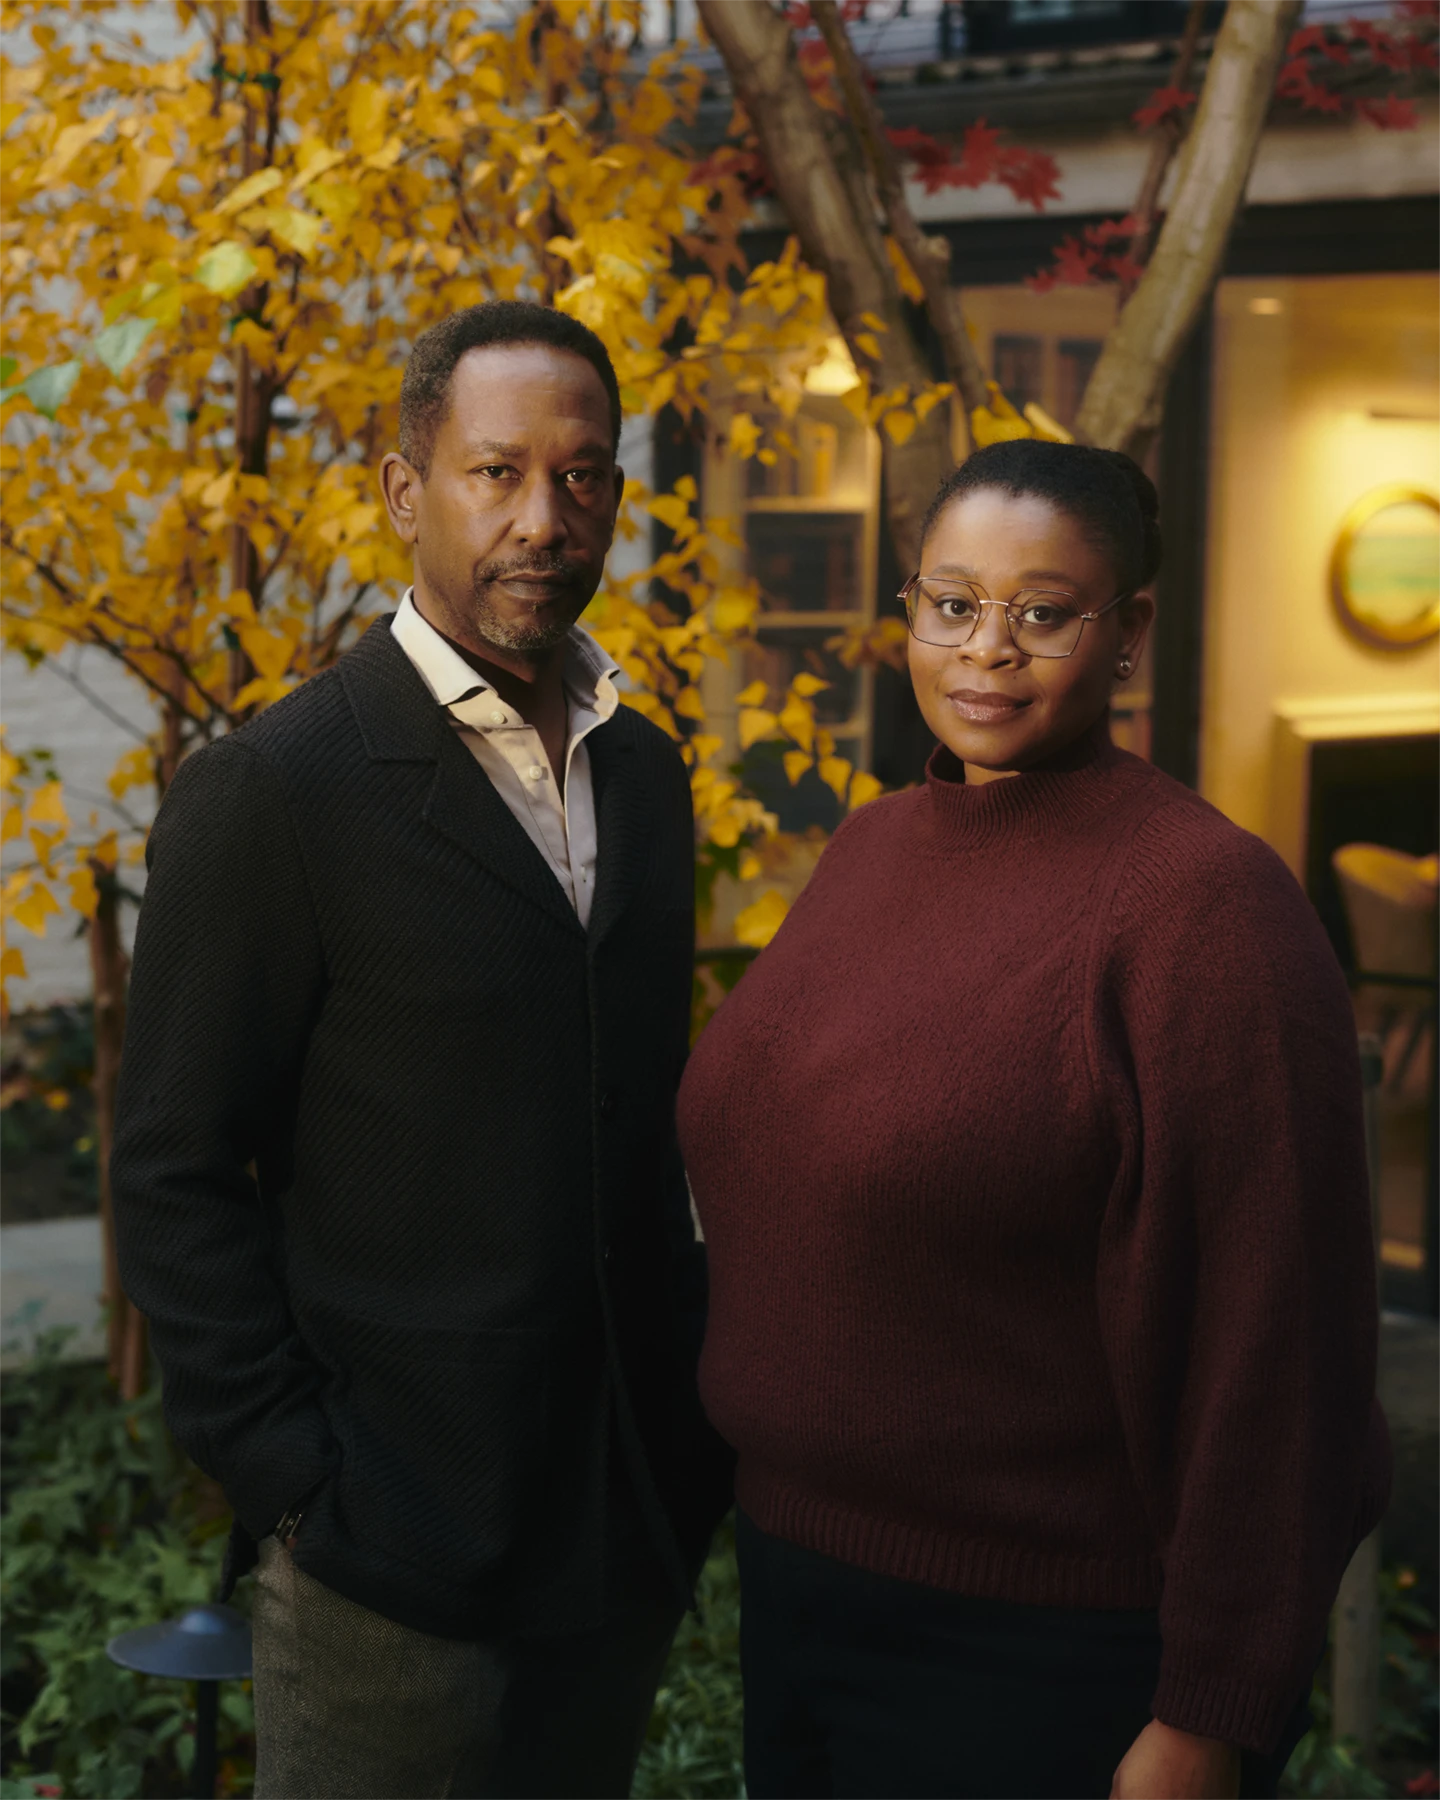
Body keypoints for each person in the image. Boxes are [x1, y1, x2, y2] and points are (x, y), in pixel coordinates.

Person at [676, 439, 1390, 1800]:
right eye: (951, 604)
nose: (985, 651)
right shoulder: (877, 847)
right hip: (795, 1593)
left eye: (1041, 613)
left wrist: (1212, 1712)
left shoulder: (1204, 911)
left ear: (1125, 632)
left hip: (1041, 1650)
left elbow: (1276, 1347)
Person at [112, 300, 729, 1799]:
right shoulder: (279, 788)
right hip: (384, 1555)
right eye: (495, 473)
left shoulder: (644, 773)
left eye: (581, 479)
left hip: (617, 1523)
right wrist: (293, 1479)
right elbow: (175, 1170)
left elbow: (640, 1126)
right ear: (406, 493)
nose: (543, 518)